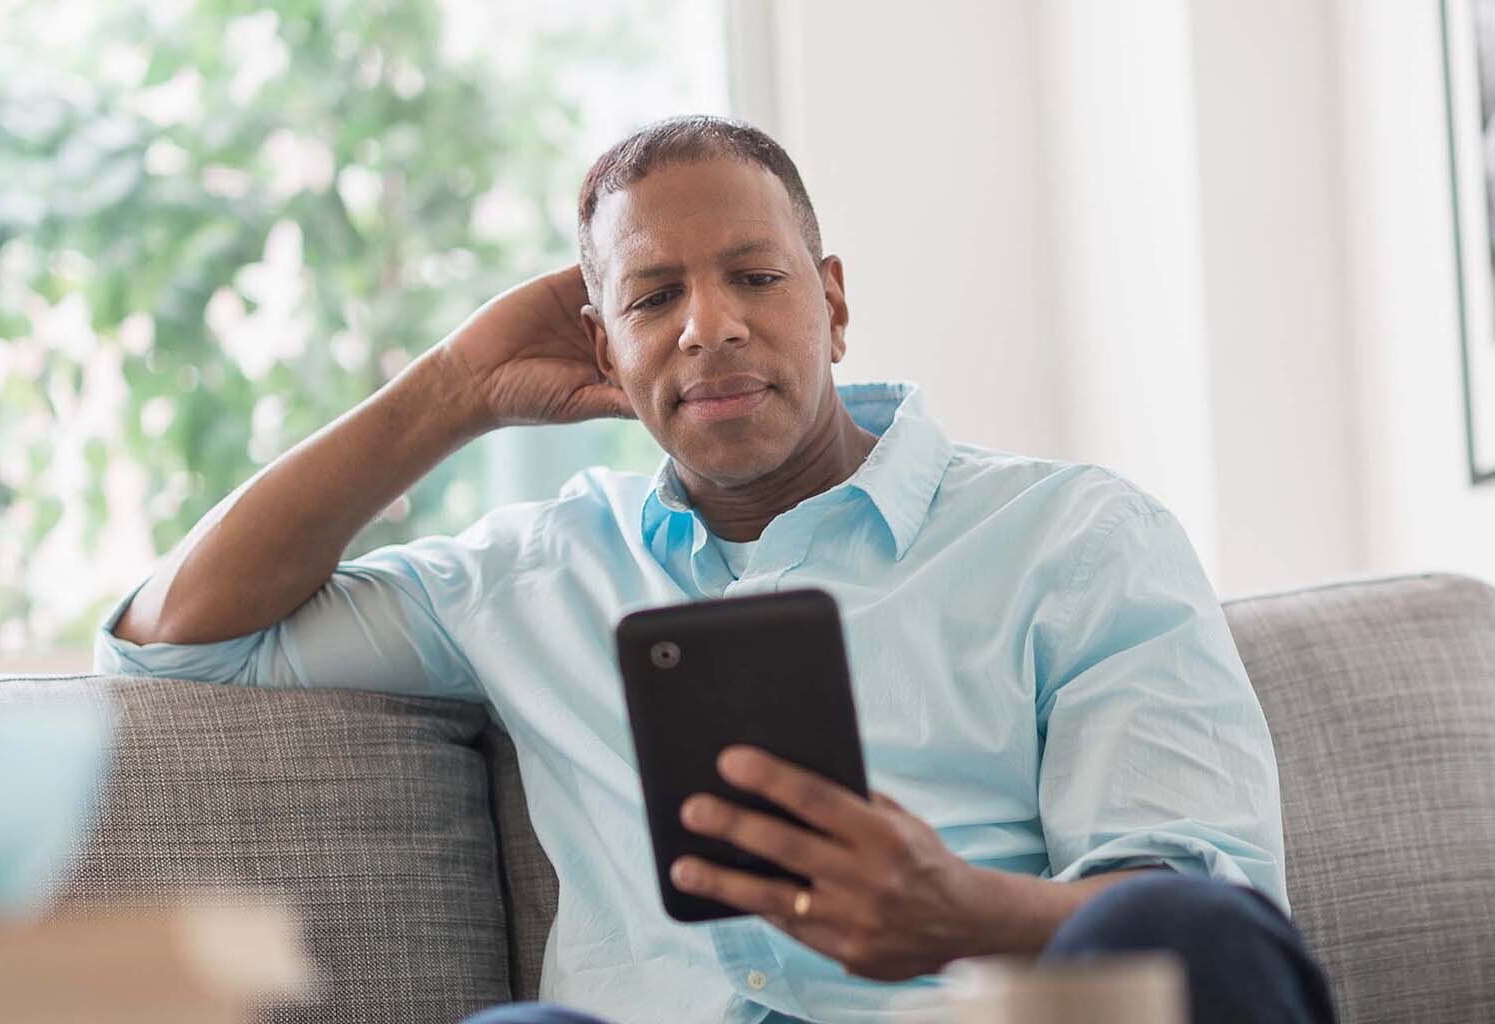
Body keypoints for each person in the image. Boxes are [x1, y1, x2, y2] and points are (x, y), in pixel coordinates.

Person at [95, 115, 1338, 1024]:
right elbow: (181, 634)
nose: (711, 325)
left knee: (1180, 930)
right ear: (601, 344)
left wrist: (963, 913)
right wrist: (456, 390)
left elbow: (1205, 936)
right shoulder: (532, 573)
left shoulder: (1077, 540)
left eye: (754, 276)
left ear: (833, 303)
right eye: (652, 297)